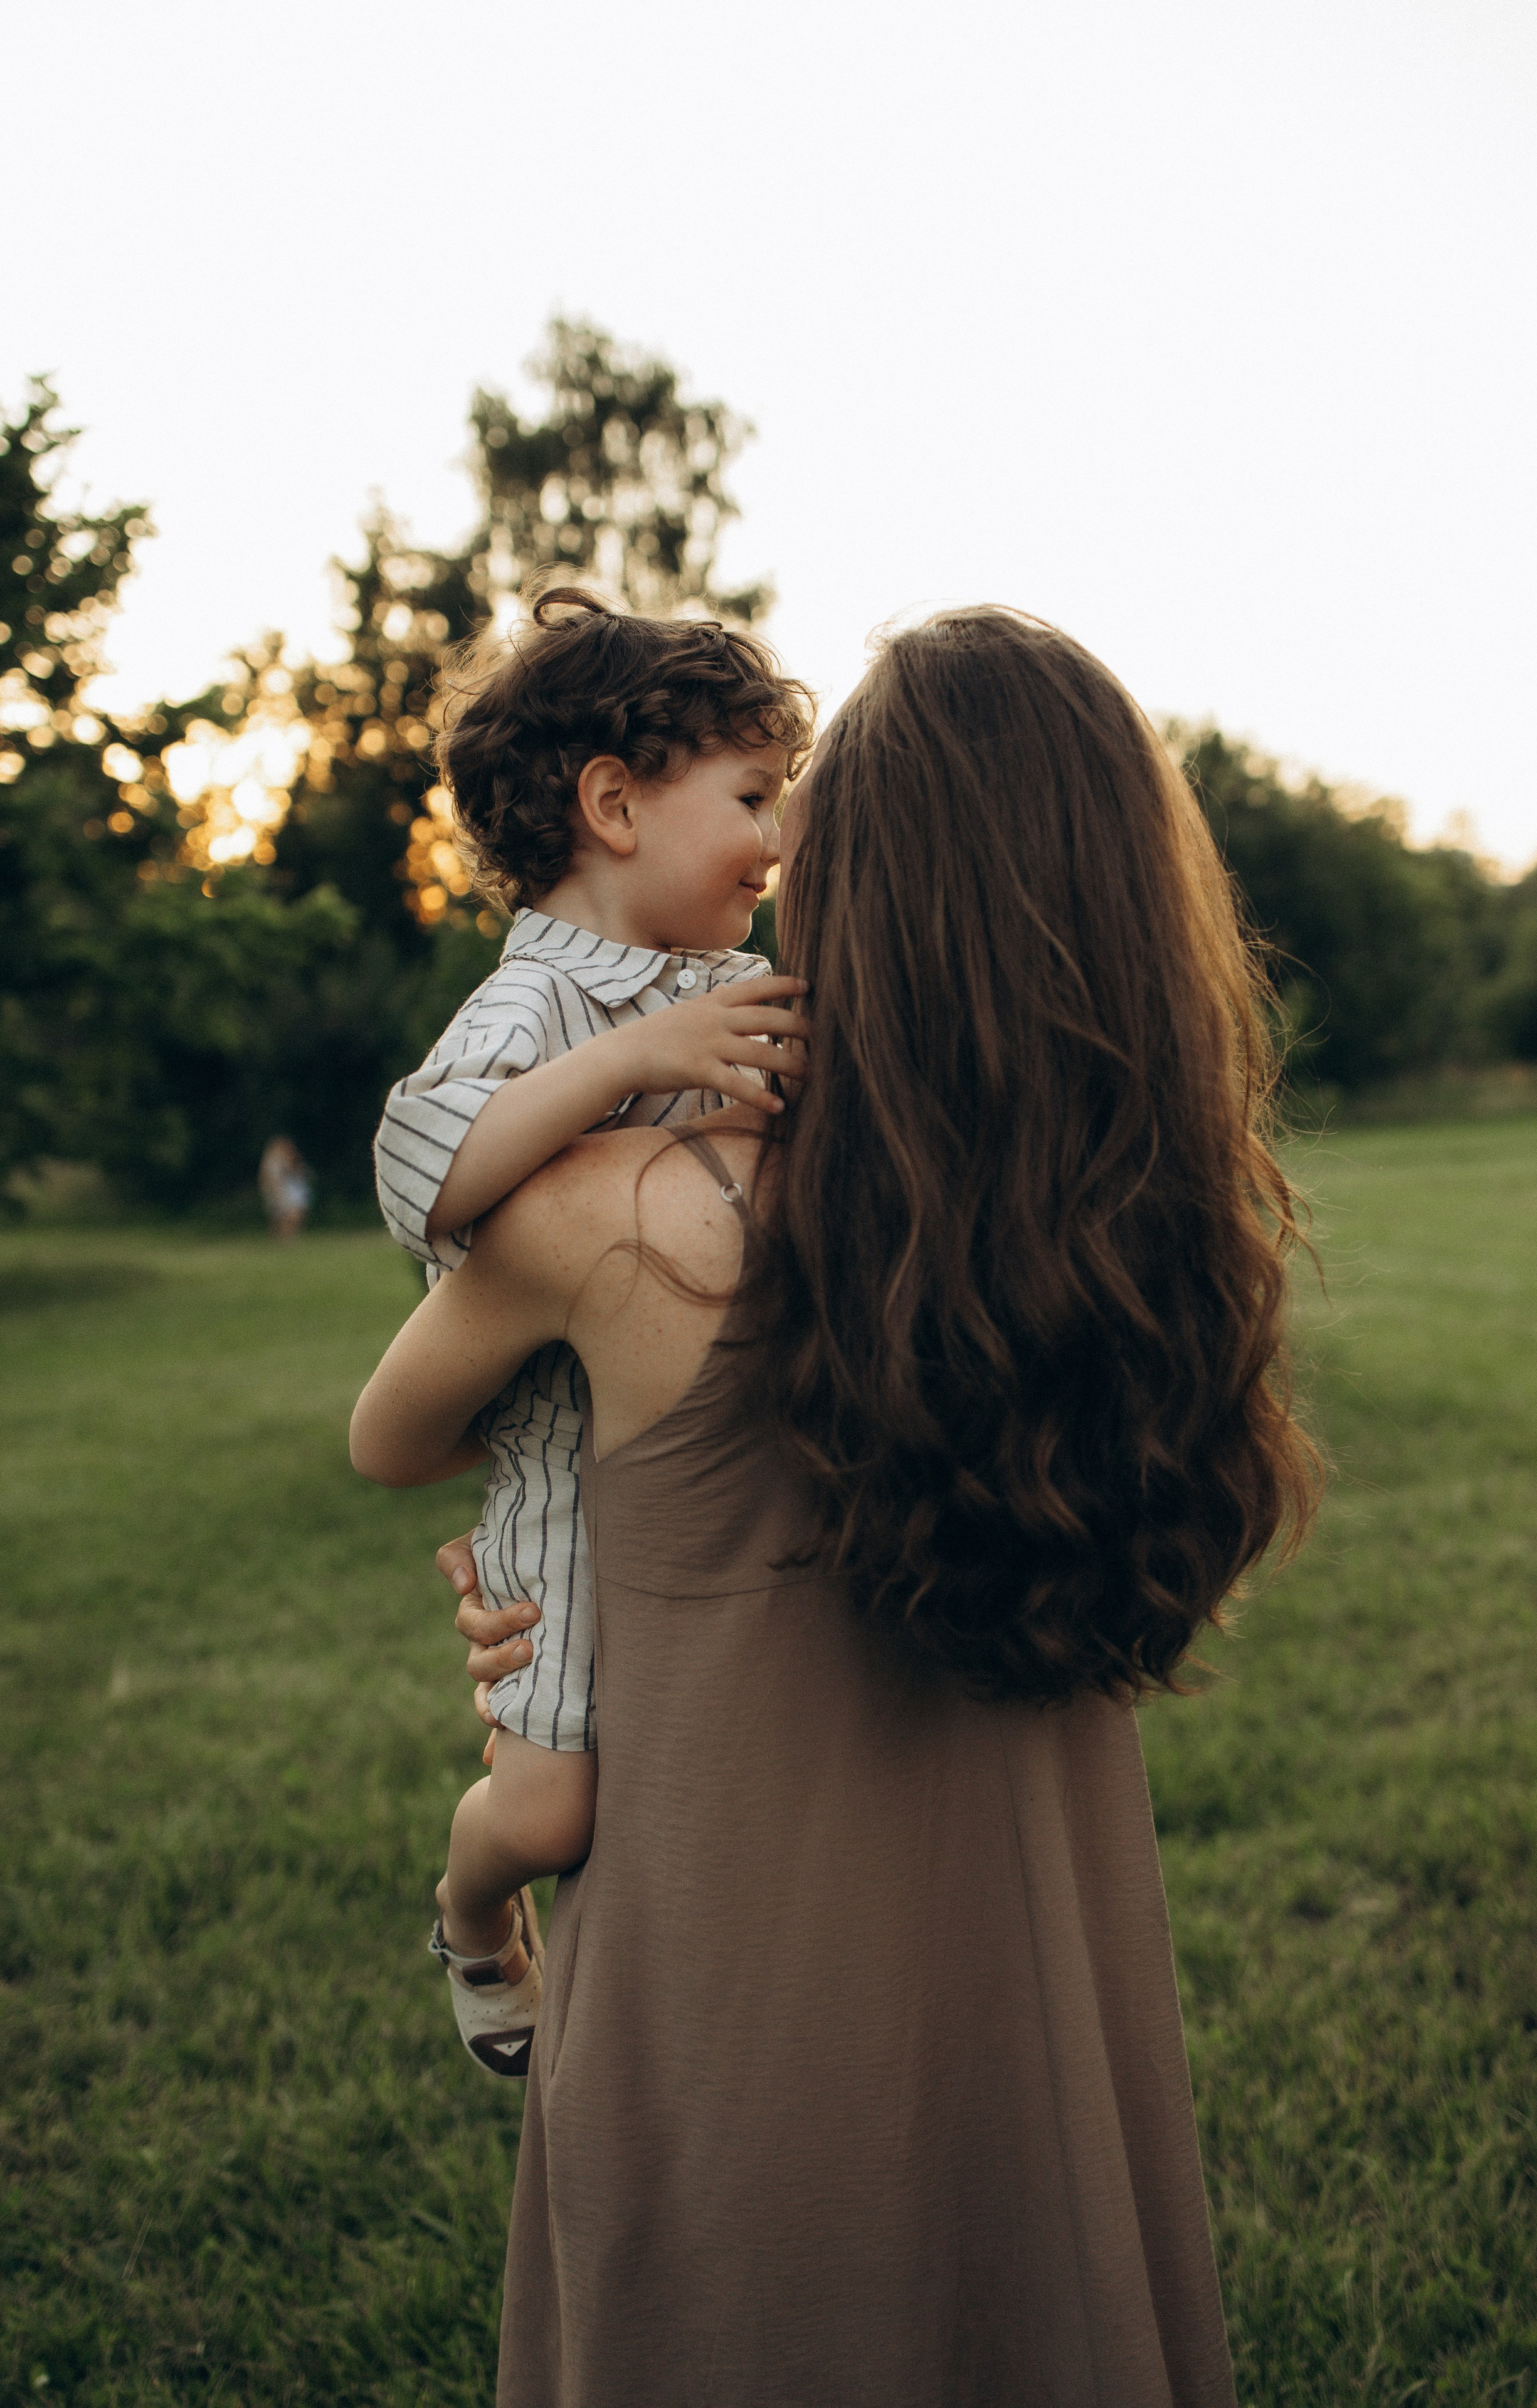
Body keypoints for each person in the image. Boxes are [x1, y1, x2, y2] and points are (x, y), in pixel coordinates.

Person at [352, 606, 1317, 2405]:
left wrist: (554, 1525)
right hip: (1043, 2009)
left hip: (736, 2011)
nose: (778, 841)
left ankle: (465, 1916)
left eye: (805, 811)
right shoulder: (1115, 1232)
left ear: (868, 884)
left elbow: (397, 1435)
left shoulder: (626, 1214)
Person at [367, 588, 814, 2069]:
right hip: (558, 1483)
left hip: (700, 1463)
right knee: (556, 1807)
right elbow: (421, 1170)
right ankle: (469, 1909)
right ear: (613, 806)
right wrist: (635, 1057)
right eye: (750, 796)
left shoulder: (727, 983)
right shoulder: (532, 1005)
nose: (775, 836)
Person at [258, 1135, 312, 1238]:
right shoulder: (272, 1162)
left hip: (284, 1190)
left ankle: (284, 1237)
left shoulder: (283, 1160)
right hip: (278, 1191)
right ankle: (284, 1238)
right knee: (286, 1215)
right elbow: (270, 1179)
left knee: (287, 1215)